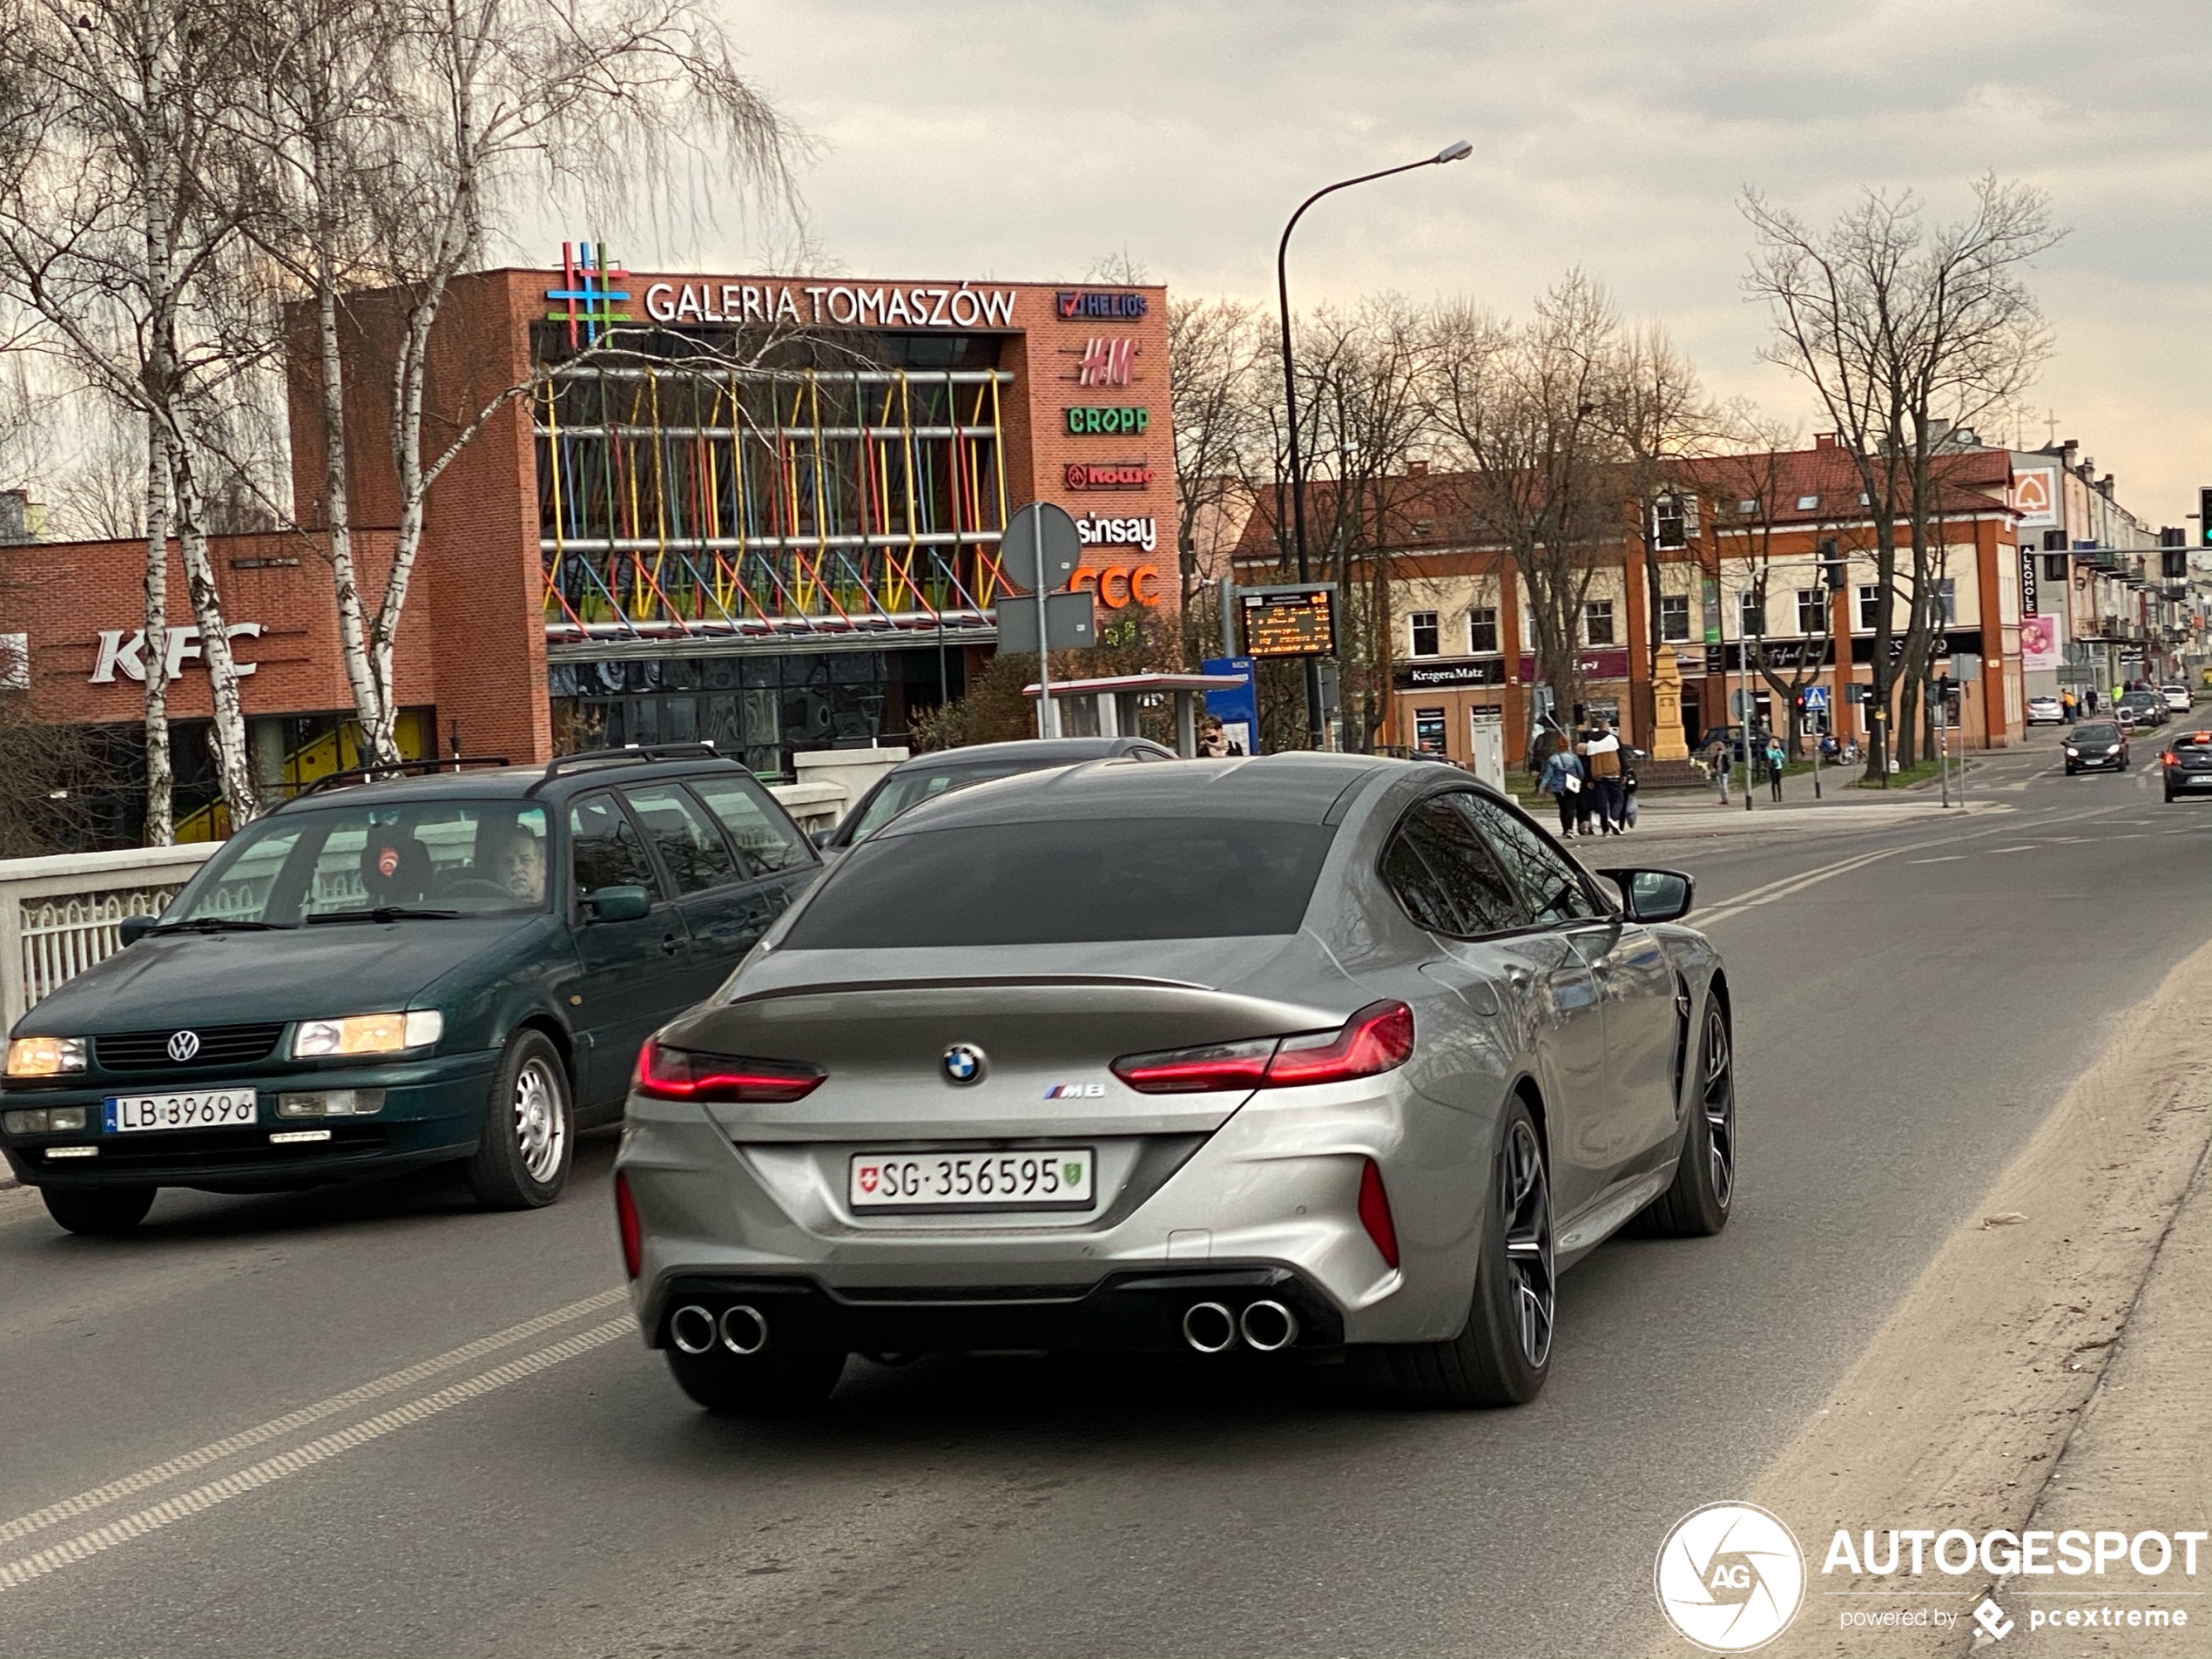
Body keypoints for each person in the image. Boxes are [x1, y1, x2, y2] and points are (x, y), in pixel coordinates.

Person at [1537, 738, 1584, 837]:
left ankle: (1565, 829)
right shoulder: (1574, 758)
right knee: (1570, 808)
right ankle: (1570, 829)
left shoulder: (1553, 759)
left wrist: (1542, 787)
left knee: (1562, 808)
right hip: (1571, 786)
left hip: (1557, 786)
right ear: (1568, 746)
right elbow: (1581, 772)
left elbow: (1548, 774)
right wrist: (1579, 780)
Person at [1703, 732, 1731, 806]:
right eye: (1718, 752)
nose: (1719, 753)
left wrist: (1726, 770)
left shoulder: (1724, 757)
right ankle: (1723, 799)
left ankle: (1726, 799)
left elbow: (1728, 764)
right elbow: (1714, 764)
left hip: (1724, 772)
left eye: (1720, 752)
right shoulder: (1716, 757)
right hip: (1718, 772)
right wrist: (1715, 768)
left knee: (1725, 787)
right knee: (1720, 787)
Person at [1765, 732, 1787, 802]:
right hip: (1773, 767)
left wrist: (1778, 750)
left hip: (1779, 767)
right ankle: (1774, 797)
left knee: (1779, 782)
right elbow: (1771, 757)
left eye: (1777, 742)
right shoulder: (1768, 750)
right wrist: (1776, 754)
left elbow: (1783, 756)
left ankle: (1780, 796)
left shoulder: (1778, 750)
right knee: (1773, 782)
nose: (1776, 744)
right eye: (1775, 742)